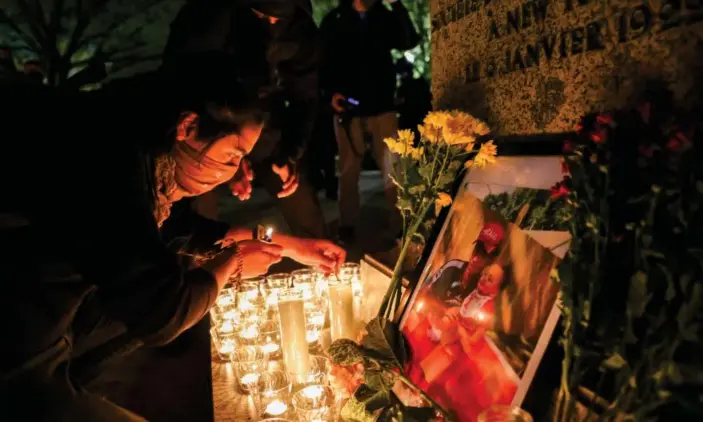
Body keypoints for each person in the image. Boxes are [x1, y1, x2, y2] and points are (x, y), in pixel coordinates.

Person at [0, 74, 344, 421]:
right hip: (17, 346)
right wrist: (231, 263)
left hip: (49, 323)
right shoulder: (103, 165)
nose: (232, 174)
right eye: (231, 157)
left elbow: (182, 229)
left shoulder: (147, 158)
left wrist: (289, 245)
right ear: (188, 125)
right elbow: (162, 313)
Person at [161, 0, 327, 238]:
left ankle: (323, 261)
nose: (270, 24)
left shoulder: (299, 30)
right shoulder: (210, 19)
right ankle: (196, 269)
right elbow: (181, 81)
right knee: (197, 205)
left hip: (264, 127)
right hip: (206, 129)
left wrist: (290, 153)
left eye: (278, 20)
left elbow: (306, 98)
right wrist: (228, 158)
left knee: (296, 195)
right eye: (260, 15)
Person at [320, 0, 420, 244]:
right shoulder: (335, 21)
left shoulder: (383, 16)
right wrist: (330, 93)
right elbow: (321, 61)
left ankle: (400, 224)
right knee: (347, 169)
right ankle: (347, 225)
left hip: (382, 106)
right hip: (347, 109)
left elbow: (407, 40)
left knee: (392, 167)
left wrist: (397, 6)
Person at [395, 57, 431, 137]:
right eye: (401, 73)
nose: (403, 75)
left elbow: (428, 100)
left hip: (422, 123)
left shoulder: (420, 83)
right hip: (409, 126)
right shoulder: (402, 89)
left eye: (405, 71)